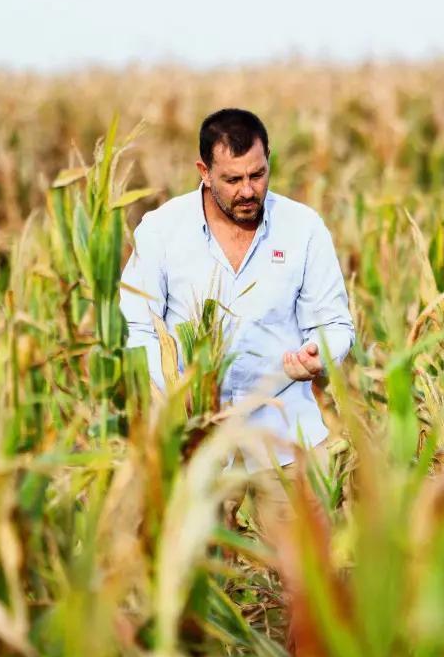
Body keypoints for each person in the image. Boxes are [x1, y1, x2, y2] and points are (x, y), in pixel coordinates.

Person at [119, 107, 354, 535]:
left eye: (258, 175)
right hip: (195, 438)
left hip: (287, 434)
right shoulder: (161, 231)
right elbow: (137, 327)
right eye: (233, 179)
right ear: (204, 172)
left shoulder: (303, 228)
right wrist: (173, 393)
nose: (249, 190)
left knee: (307, 579)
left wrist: (319, 356)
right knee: (197, 578)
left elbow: (336, 324)